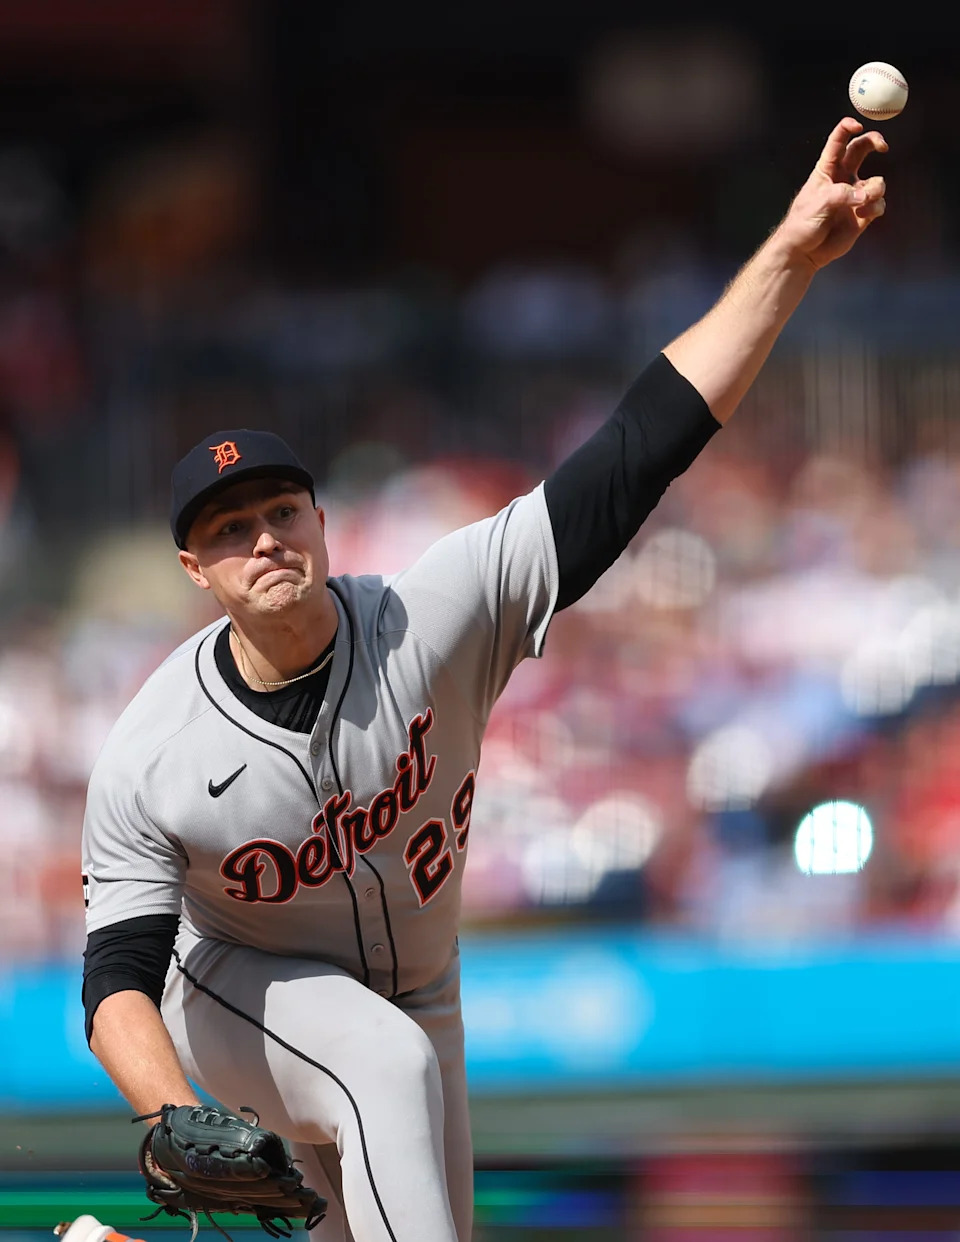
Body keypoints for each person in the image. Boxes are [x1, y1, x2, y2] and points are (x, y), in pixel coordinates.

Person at [80, 118, 887, 1242]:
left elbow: (639, 446)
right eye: (228, 529)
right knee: (381, 1064)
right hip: (235, 994)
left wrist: (792, 256)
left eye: (277, 510)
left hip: (422, 984)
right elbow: (115, 972)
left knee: (401, 1172)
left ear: (317, 519)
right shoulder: (154, 749)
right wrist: (169, 1114)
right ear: (194, 568)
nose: (262, 538)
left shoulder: (435, 613)